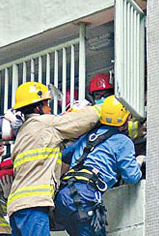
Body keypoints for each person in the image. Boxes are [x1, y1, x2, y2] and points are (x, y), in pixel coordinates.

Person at [7, 82, 101, 236]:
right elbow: (79, 121)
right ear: (38, 108)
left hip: (17, 208)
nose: (50, 109)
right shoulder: (45, 124)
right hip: (33, 205)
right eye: (46, 104)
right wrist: (107, 107)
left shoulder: (24, 133)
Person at [54, 95, 144, 236]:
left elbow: (66, 154)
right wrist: (139, 160)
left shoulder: (89, 136)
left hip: (64, 195)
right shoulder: (123, 141)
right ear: (126, 119)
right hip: (84, 196)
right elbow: (132, 177)